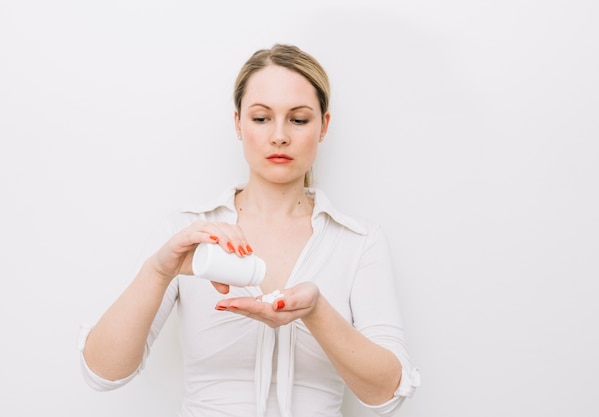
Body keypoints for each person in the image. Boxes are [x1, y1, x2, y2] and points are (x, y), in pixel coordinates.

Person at [79, 43, 420, 417]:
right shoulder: (186, 233)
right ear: (238, 123)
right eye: (261, 118)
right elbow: (103, 374)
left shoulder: (357, 242)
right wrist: (158, 271)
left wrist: (316, 311)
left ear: (323, 126)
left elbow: (388, 395)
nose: (279, 136)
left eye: (299, 119)